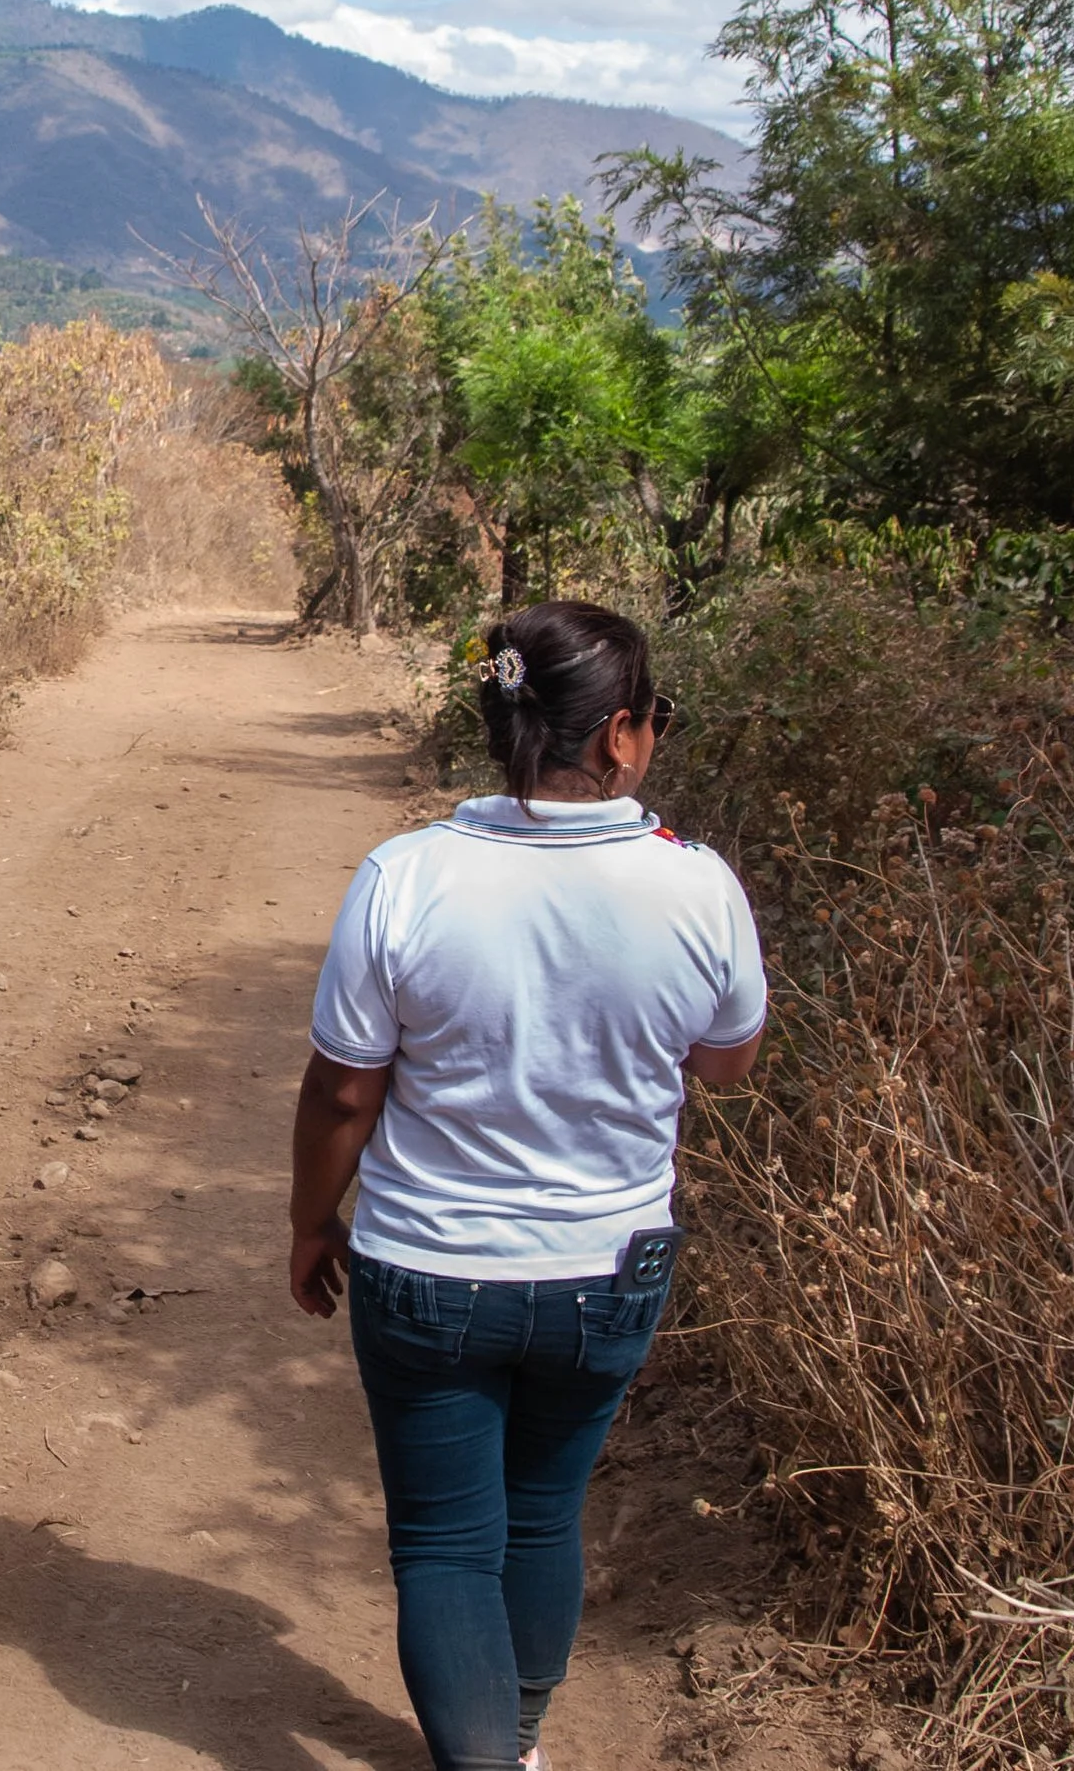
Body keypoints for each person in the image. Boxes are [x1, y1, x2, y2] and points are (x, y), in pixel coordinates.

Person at [289, 599, 767, 1771]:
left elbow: (344, 1092)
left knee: (448, 1545)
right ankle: (524, 1741)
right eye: (654, 719)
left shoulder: (407, 876)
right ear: (615, 738)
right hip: (609, 1269)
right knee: (544, 1512)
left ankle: (486, 1760)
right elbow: (728, 1063)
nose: (653, 738)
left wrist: (311, 1221)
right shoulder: (697, 888)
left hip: (427, 1266)